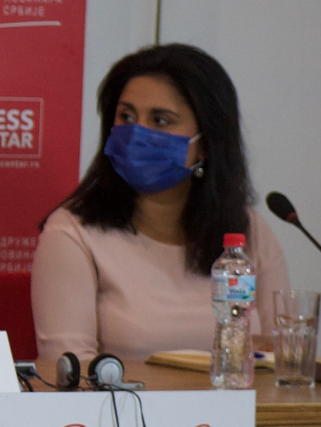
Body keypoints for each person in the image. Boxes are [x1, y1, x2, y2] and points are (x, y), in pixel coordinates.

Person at [32, 44, 290, 365]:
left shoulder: (247, 230)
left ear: (206, 145)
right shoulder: (73, 232)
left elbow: (284, 355)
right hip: (122, 401)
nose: (137, 133)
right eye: (126, 117)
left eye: (161, 120)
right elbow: (69, 371)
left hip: (237, 399)